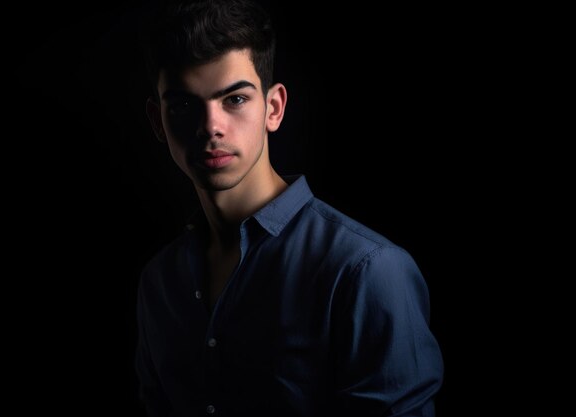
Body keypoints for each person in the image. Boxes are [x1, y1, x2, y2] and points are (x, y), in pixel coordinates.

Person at [135, 0, 443, 415]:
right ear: (158, 121)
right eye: (185, 105)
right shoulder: (159, 283)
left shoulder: (366, 271)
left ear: (273, 108)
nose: (211, 126)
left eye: (235, 100)